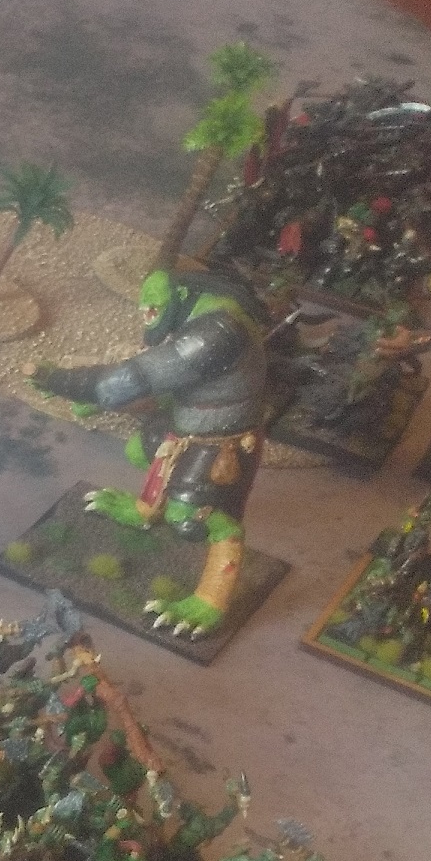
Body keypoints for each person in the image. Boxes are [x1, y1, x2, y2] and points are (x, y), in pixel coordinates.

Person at [35, 268, 271, 638]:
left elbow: (141, 377)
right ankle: (146, 511)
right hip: (185, 421)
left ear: (181, 295)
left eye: (153, 305)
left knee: (194, 517)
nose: (147, 312)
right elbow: (170, 381)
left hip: (221, 440)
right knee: (140, 450)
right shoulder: (202, 316)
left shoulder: (218, 332)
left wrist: (69, 383)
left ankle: (211, 601)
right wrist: (98, 397)